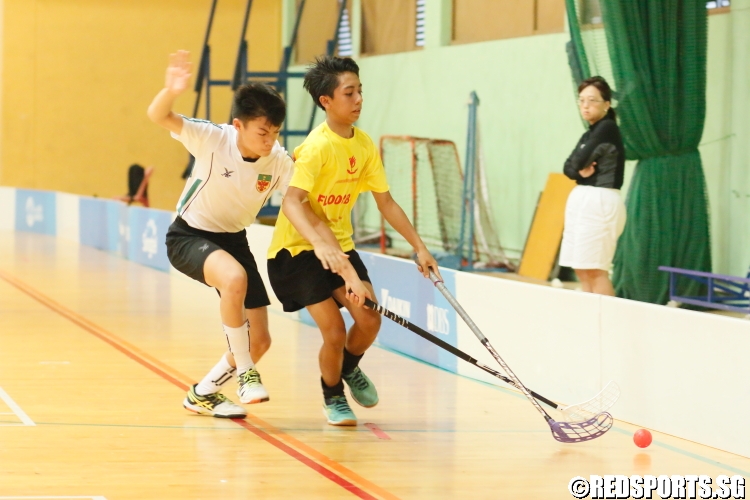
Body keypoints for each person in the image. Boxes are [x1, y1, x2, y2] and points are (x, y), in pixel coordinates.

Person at [266, 55, 441, 426]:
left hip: (340, 245)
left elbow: (386, 202)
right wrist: (319, 244)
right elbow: (293, 201)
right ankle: (333, 396)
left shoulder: (363, 146)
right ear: (325, 101)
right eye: (349, 93)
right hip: (296, 251)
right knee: (333, 329)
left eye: (360, 91)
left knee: (369, 319)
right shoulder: (316, 148)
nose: (359, 99)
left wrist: (419, 247)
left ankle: (347, 367)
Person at [147, 50, 298, 419]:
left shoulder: (279, 161)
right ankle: (246, 373)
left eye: (275, 132)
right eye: (262, 131)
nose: (269, 140)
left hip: (233, 239)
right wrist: (171, 90)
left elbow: (298, 205)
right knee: (234, 278)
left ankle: (203, 392)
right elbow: (158, 115)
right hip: (188, 235)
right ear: (238, 125)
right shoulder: (212, 138)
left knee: (260, 339)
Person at [561, 76, 626, 296]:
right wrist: (579, 172)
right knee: (581, 267)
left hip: (601, 202)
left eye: (592, 100)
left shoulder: (607, 128)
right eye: (581, 100)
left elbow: (577, 163)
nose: (585, 106)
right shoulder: (589, 133)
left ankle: (608, 326)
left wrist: (579, 170)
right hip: (584, 200)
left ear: (607, 104)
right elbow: (568, 168)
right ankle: (591, 322)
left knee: (596, 270)